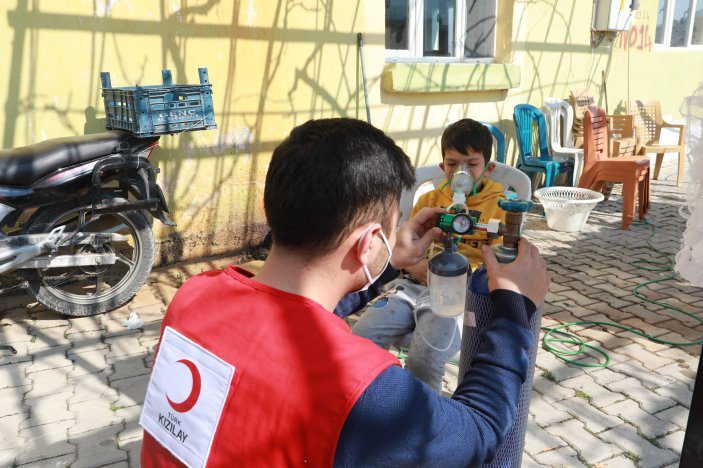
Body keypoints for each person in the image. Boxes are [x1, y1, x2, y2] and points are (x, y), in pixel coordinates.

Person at [139, 118, 549, 467]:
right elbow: (479, 433)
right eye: (391, 228)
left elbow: (303, 316)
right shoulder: (359, 386)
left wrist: (391, 262)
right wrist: (516, 309)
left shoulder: (195, 297)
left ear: (272, 208)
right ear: (368, 242)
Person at [352, 118, 507, 392]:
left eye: (471, 164)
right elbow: (405, 251)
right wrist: (414, 268)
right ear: (442, 167)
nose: (461, 172)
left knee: (424, 359)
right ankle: (365, 399)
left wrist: (464, 278)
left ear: (489, 168)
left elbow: (499, 266)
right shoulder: (430, 202)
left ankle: (419, 412)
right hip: (410, 287)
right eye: (453, 164)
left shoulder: (498, 207)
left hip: (455, 297)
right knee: (361, 339)